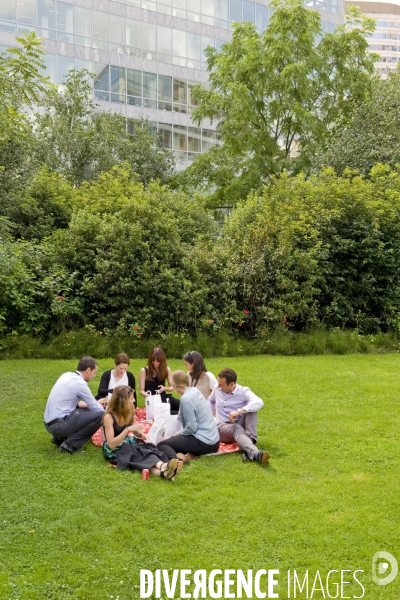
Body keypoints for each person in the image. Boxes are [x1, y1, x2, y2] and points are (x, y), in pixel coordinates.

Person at [103, 385, 181, 479]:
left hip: (127, 443)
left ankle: (163, 472)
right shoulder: (109, 417)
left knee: (145, 450)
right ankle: (164, 466)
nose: (134, 401)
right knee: (135, 454)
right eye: (131, 398)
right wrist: (128, 429)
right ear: (123, 401)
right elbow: (111, 444)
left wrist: (141, 434)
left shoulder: (129, 411)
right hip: (113, 450)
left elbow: (135, 432)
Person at [44, 356, 106, 454]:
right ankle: (70, 444)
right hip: (59, 426)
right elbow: (96, 409)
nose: (94, 376)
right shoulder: (80, 384)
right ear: (88, 370)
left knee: (87, 410)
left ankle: (61, 438)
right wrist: (111, 413)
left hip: (49, 423)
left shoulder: (66, 375)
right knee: (102, 416)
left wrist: (96, 403)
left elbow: (77, 403)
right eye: (94, 372)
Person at [208, 367, 270, 465]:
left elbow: (259, 401)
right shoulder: (217, 388)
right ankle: (256, 453)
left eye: (222, 385)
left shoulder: (243, 391)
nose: (218, 386)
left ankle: (249, 446)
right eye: (218, 383)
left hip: (238, 424)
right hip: (222, 427)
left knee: (252, 410)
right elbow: (211, 401)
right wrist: (209, 416)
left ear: (232, 384)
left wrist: (239, 411)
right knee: (235, 427)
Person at [157, 370, 220, 457]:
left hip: (204, 443)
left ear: (174, 385)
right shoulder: (194, 390)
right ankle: (187, 455)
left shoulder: (186, 399)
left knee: (162, 444)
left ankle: (176, 461)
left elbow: (191, 428)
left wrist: (179, 433)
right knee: (175, 441)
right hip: (215, 442)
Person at [139, 347, 180, 413]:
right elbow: (141, 391)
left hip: (164, 398)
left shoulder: (166, 369)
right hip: (153, 402)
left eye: (158, 361)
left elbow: (172, 387)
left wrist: (165, 389)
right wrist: (149, 396)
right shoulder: (144, 371)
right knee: (171, 413)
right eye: (153, 361)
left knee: (183, 404)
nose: (155, 363)